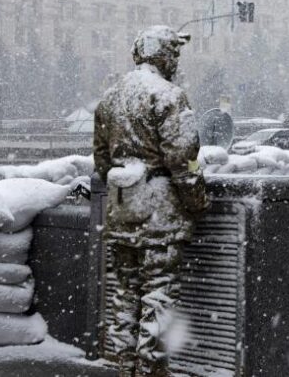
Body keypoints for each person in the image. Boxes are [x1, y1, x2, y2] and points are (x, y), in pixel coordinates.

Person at [93, 25, 209, 377]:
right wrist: (197, 201)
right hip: (160, 214)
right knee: (158, 296)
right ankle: (151, 371)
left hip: (121, 210)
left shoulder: (110, 98)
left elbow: (101, 162)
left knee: (124, 294)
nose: (175, 60)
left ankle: (121, 366)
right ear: (163, 56)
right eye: (173, 53)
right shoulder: (169, 96)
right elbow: (184, 159)